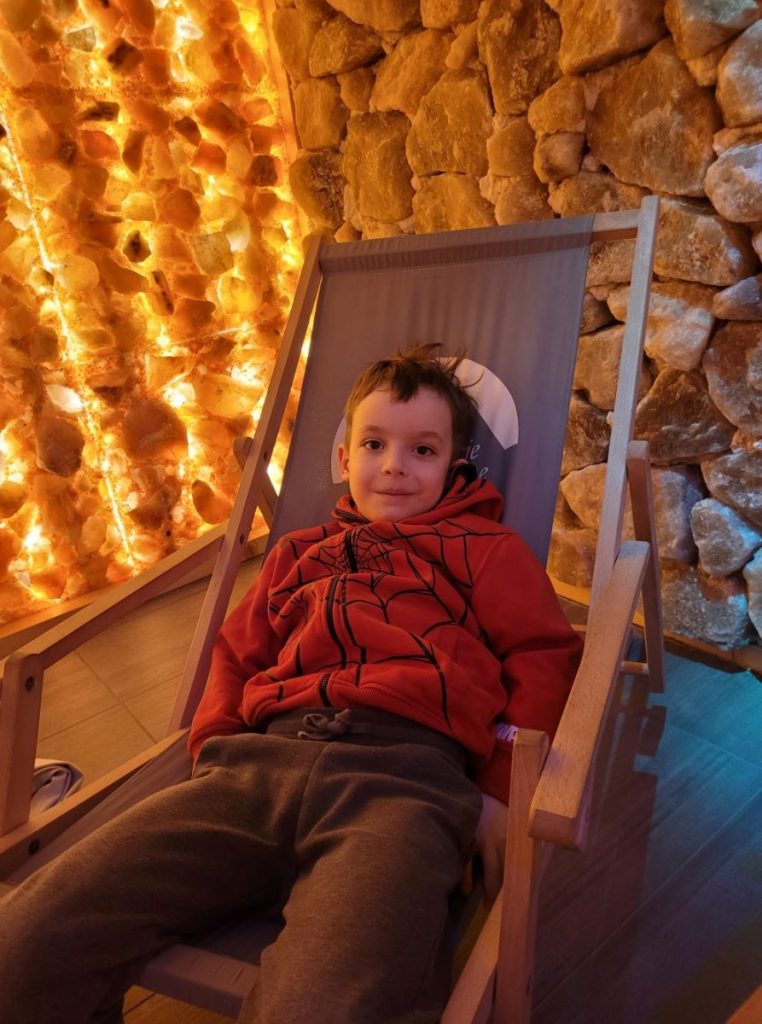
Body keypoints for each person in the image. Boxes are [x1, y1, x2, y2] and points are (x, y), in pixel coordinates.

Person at [0, 344, 582, 1024]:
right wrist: (213, 745)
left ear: (456, 468)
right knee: (27, 940)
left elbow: (542, 655)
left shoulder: (486, 549)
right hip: (251, 770)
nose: (394, 465)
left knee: (323, 1004)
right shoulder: (298, 553)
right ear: (343, 458)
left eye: (422, 450)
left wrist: (501, 788)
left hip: (403, 783)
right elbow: (237, 654)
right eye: (374, 444)